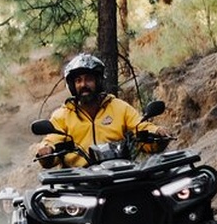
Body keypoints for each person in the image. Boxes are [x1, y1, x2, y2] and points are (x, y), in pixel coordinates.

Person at [35, 53, 169, 168]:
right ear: (72, 85)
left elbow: (140, 126)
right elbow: (53, 138)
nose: (83, 85)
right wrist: (46, 150)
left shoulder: (118, 107)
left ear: (98, 81)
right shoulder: (63, 115)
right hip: (78, 183)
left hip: (118, 175)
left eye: (89, 79)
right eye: (78, 80)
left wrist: (156, 132)